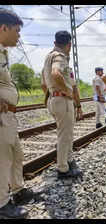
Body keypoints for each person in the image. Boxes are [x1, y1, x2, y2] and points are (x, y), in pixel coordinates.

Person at [0, 8, 39, 219]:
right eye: (16, 30)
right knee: (2, 160)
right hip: (1, 117)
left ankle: (18, 191)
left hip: (8, 116)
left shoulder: (2, 52)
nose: (19, 35)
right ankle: (2, 205)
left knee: (16, 155)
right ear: (3, 28)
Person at [42, 30, 84, 180]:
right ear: (69, 44)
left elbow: (43, 83)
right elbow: (55, 73)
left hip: (53, 100)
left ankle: (68, 160)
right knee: (65, 136)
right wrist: (66, 91)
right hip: (62, 100)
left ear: (55, 42)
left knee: (65, 133)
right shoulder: (60, 57)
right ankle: (63, 169)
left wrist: (52, 94)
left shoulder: (48, 57)